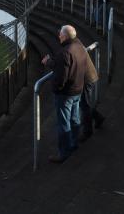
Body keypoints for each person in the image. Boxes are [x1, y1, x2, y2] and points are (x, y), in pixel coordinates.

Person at [41, 25, 87, 163]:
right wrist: (50, 62)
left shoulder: (65, 52)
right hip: (77, 89)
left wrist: (57, 89)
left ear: (65, 36)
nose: (59, 36)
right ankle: (73, 144)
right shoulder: (79, 47)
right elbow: (65, 66)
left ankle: (64, 152)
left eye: (60, 34)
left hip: (66, 93)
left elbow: (61, 76)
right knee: (74, 118)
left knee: (63, 123)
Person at [80, 48, 105, 141]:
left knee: (85, 105)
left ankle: (88, 131)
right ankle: (98, 117)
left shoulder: (72, 47)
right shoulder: (75, 44)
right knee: (85, 104)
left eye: (61, 36)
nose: (59, 37)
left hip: (86, 80)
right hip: (88, 77)